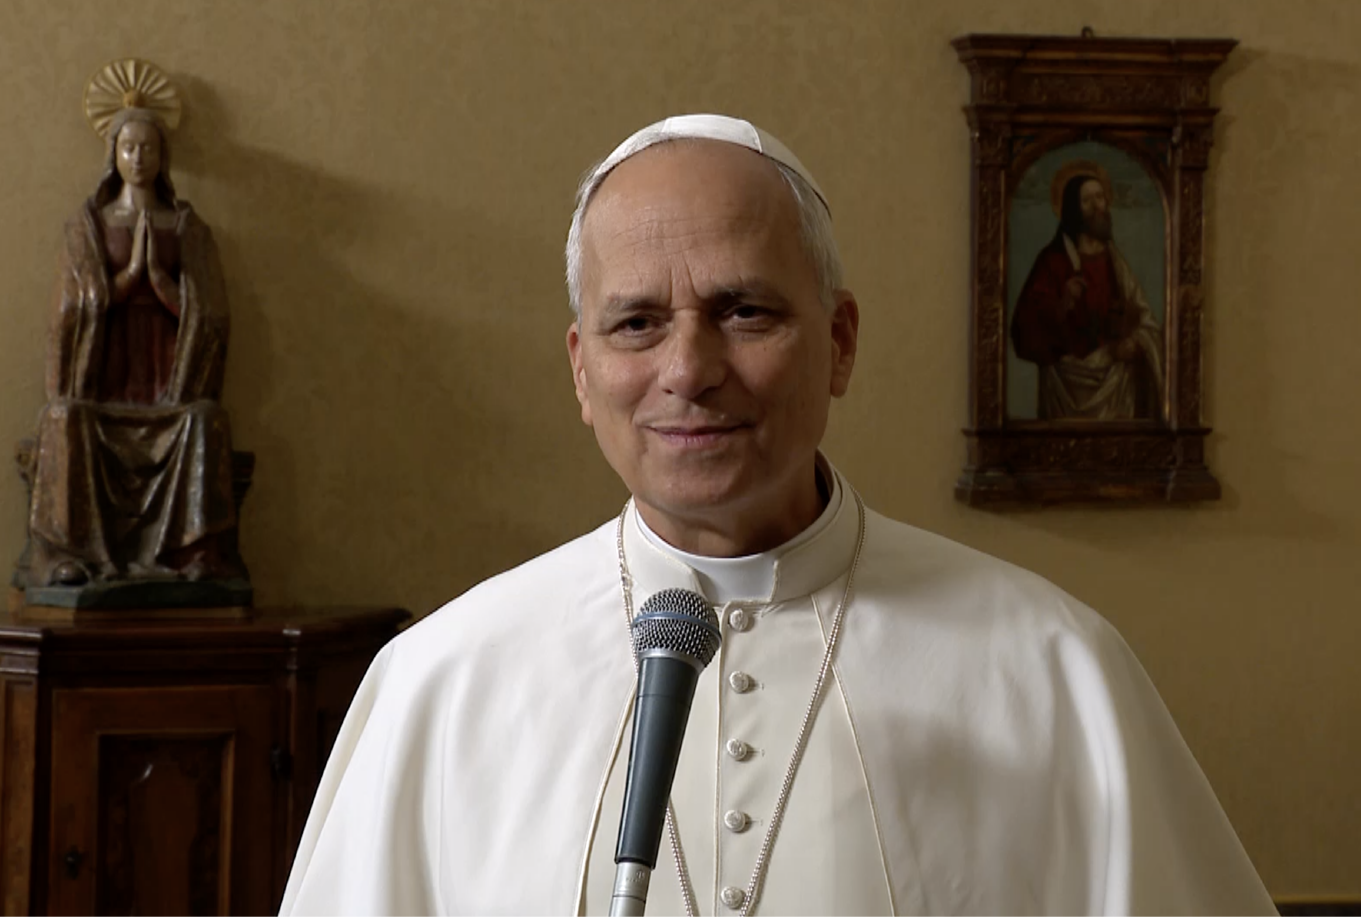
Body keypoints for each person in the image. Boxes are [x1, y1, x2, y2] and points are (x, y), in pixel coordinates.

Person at [280, 115, 1277, 916]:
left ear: (838, 341)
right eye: (637, 323)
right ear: (582, 369)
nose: (688, 370)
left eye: (744, 311)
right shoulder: (439, 681)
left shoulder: (1052, 665)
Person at [21, 105, 245, 592]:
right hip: (105, 374)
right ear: (114, 155)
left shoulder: (187, 227)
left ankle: (195, 553)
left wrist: (161, 281)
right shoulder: (88, 227)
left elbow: (211, 312)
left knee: (205, 418)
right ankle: (68, 556)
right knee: (64, 417)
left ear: (163, 157)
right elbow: (70, 308)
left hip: (168, 377)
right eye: (129, 147)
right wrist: (126, 278)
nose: (138, 157)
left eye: (148, 148)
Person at [1011, 165, 1164, 420]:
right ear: (1074, 209)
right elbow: (1023, 329)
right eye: (1087, 200)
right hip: (1065, 387)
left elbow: (1144, 317)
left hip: (1116, 386)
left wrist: (1135, 342)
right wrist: (1062, 304)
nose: (1097, 206)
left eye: (1100, 197)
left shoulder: (1115, 262)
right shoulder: (1052, 261)